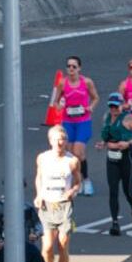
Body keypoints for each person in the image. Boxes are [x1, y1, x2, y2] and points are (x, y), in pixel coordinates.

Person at [33, 126, 80, 262]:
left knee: (62, 244)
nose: (60, 143)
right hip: (46, 206)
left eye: (63, 139)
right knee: (46, 248)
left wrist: (73, 191)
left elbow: (78, 182)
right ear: (50, 140)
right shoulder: (42, 158)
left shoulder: (72, 161)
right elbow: (39, 177)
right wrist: (38, 195)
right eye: (57, 139)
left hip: (64, 206)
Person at [48, 54, 97, 196]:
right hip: (68, 121)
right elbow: (56, 101)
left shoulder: (86, 82)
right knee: (71, 154)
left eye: (74, 66)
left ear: (79, 68)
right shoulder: (62, 83)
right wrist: (59, 106)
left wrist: (91, 107)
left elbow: (95, 97)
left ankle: (86, 181)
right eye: (68, 66)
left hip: (83, 121)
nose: (71, 69)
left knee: (78, 151)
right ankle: (78, 181)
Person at [100, 96, 132, 235]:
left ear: (121, 105)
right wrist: (103, 143)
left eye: (116, 106)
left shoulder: (128, 118)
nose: (114, 109)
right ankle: (115, 223)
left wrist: (128, 143)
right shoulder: (106, 117)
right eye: (111, 106)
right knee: (113, 191)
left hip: (126, 157)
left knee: (127, 191)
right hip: (112, 158)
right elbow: (105, 136)